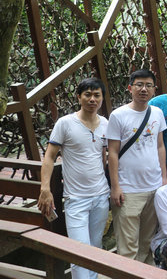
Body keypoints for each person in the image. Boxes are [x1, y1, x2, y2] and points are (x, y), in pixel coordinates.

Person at [38, 78, 109, 279]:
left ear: (102, 98)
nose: (92, 99)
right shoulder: (65, 123)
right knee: (78, 252)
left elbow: (104, 157)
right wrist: (45, 189)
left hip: (101, 196)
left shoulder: (105, 123)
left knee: (95, 248)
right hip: (76, 199)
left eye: (97, 95)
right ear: (79, 97)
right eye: (87, 94)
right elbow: (49, 157)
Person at [107, 69, 167, 264]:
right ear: (130, 88)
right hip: (128, 189)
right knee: (128, 246)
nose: (144, 89)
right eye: (139, 85)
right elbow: (112, 152)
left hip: (154, 186)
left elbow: (160, 146)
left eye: (149, 85)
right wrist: (115, 186)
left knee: (147, 242)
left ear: (154, 89)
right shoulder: (118, 115)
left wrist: (164, 179)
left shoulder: (157, 112)